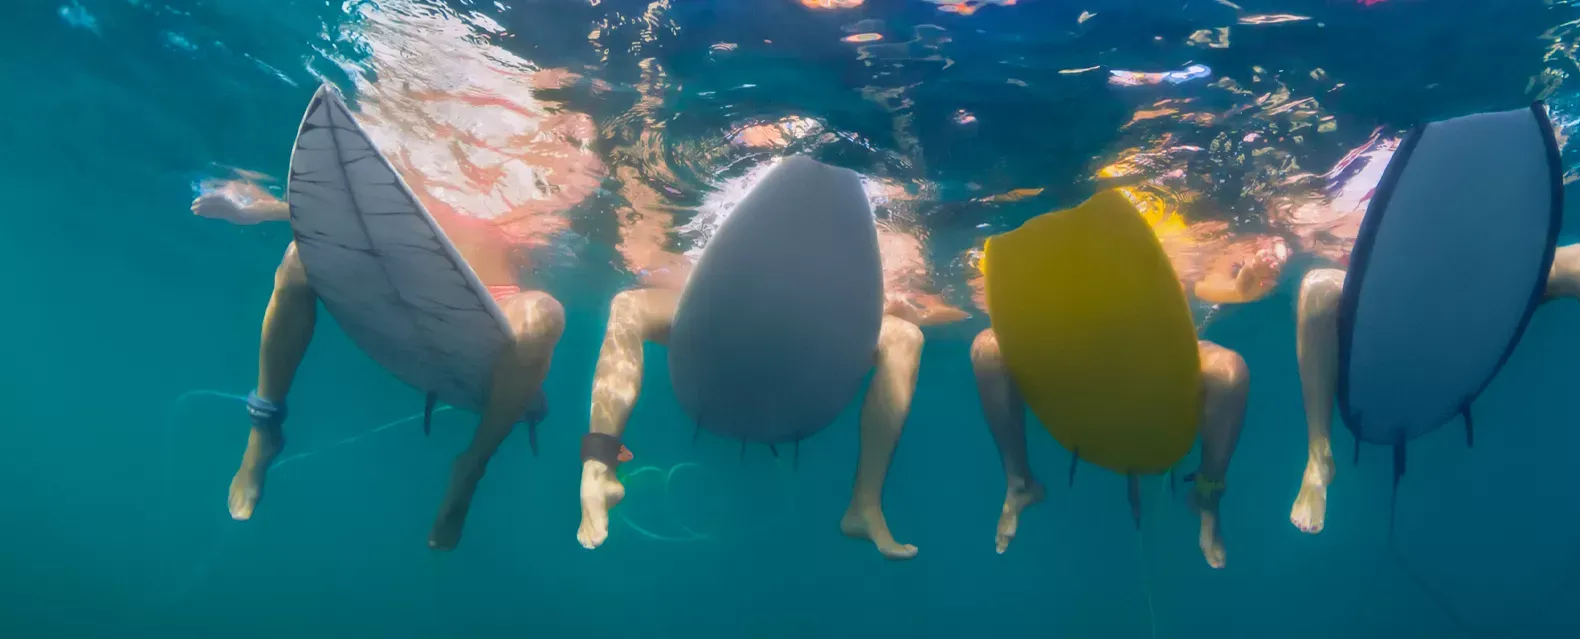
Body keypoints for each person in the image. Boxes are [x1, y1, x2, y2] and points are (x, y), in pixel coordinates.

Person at [1178, 129, 1580, 535]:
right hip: (1391, 300)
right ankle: (1318, 455)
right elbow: (1298, 247)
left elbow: (1516, 203)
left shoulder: (1444, 162)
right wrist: (1267, 261)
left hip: (1465, 282)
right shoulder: (1319, 196)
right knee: (1317, 290)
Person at [190, 7, 604, 549]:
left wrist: (579, 138)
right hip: (394, 274)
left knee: (546, 314)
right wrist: (257, 210)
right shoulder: (415, 111)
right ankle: (263, 427)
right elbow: (350, 201)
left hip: (491, 302)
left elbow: (562, 219)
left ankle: (469, 470)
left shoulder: (558, 132)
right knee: (300, 256)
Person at [576, 157, 968, 560]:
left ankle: (865, 504)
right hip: (721, 337)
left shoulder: (890, 245)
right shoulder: (728, 225)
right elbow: (662, 271)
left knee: (905, 336)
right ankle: (598, 465)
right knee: (629, 306)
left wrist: (909, 308)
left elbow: (942, 311)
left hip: (817, 350)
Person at [955, 184, 1253, 570]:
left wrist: (1239, 287)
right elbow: (997, 297)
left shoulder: (1156, 212)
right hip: (1067, 349)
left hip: (1157, 355)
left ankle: (1208, 493)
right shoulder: (1014, 225)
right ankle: (1019, 481)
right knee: (986, 349)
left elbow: (1202, 283)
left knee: (1229, 373)